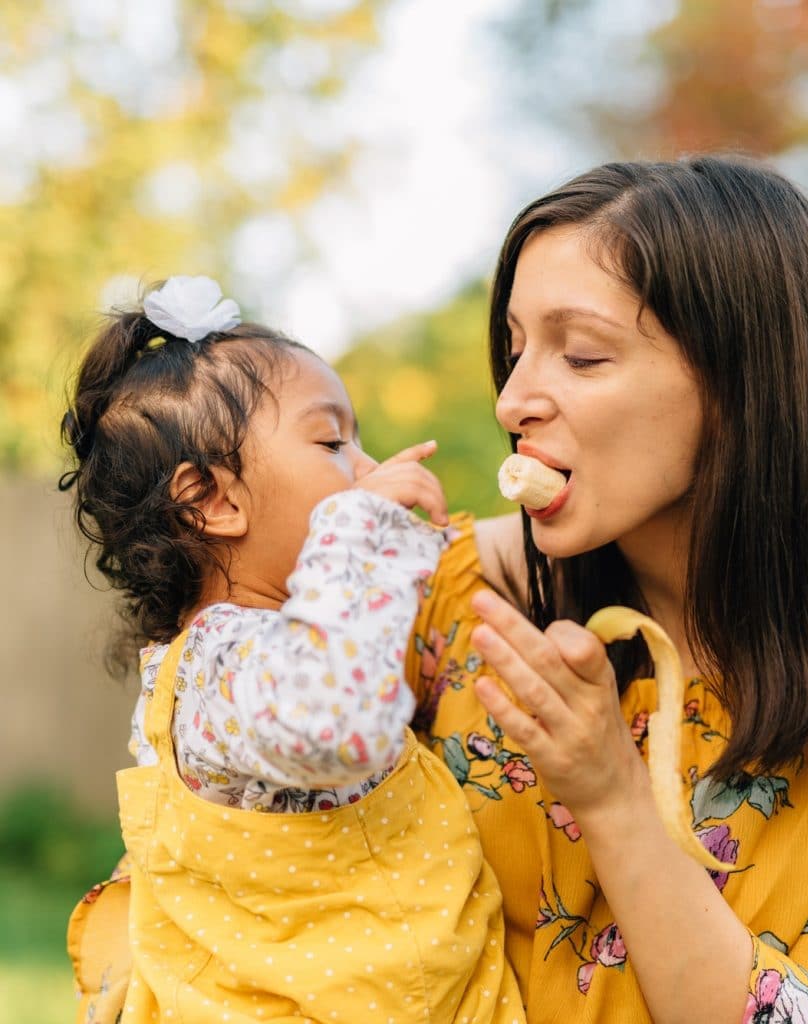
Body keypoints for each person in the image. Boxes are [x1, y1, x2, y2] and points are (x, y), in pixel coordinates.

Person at [402, 157, 808, 1023]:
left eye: (583, 355)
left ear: (744, 386)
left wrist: (609, 793)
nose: (512, 400)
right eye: (515, 350)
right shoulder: (439, 598)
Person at [61, 276, 524, 1024]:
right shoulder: (221, 662)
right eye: (333, 441)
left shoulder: (293, 642)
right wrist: (359, 532)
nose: (369, 469)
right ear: (214, 501)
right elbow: (336, 725)